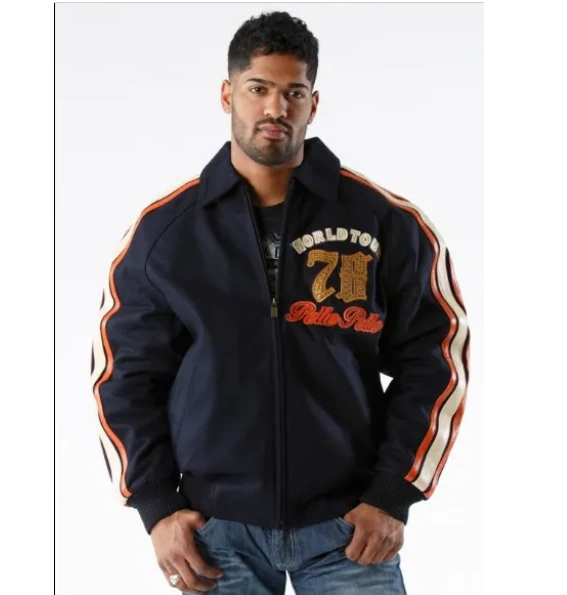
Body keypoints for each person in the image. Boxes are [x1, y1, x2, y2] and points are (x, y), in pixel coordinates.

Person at [91, 10, 470, 595]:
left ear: (313, 104)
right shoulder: (167, 232)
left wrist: (393, 493)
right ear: (227, 95)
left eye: (293, 92)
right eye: (258, 89)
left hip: (350, 528)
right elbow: (123, 375)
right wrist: (157, 505)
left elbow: (437, 358)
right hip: (215, 532)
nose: (275, 108)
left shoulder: (385, 221)